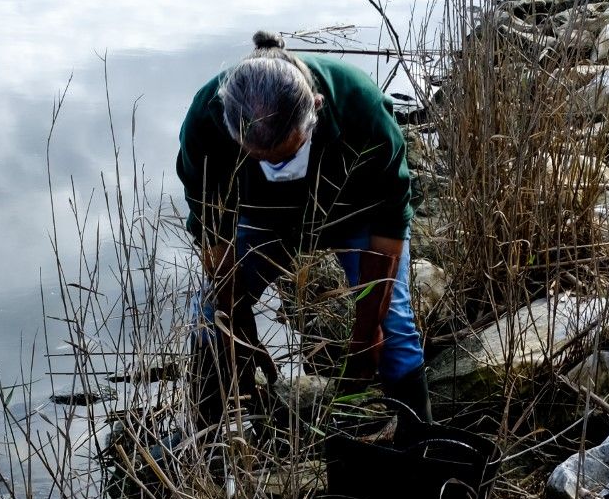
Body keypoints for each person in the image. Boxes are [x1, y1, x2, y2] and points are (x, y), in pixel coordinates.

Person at [176, 31, 428, 429]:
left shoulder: (360, 109)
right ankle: (208, 441)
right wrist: (239, 324)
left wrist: (365, 335)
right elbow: (215, 236)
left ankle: (418, 443)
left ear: (316, 108)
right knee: (212, 319)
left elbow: (389, 227)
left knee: (394, 328)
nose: (277, 169)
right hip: (264, 223)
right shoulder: (208, 122)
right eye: (261, 159)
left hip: (355, 216)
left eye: (288, 154)